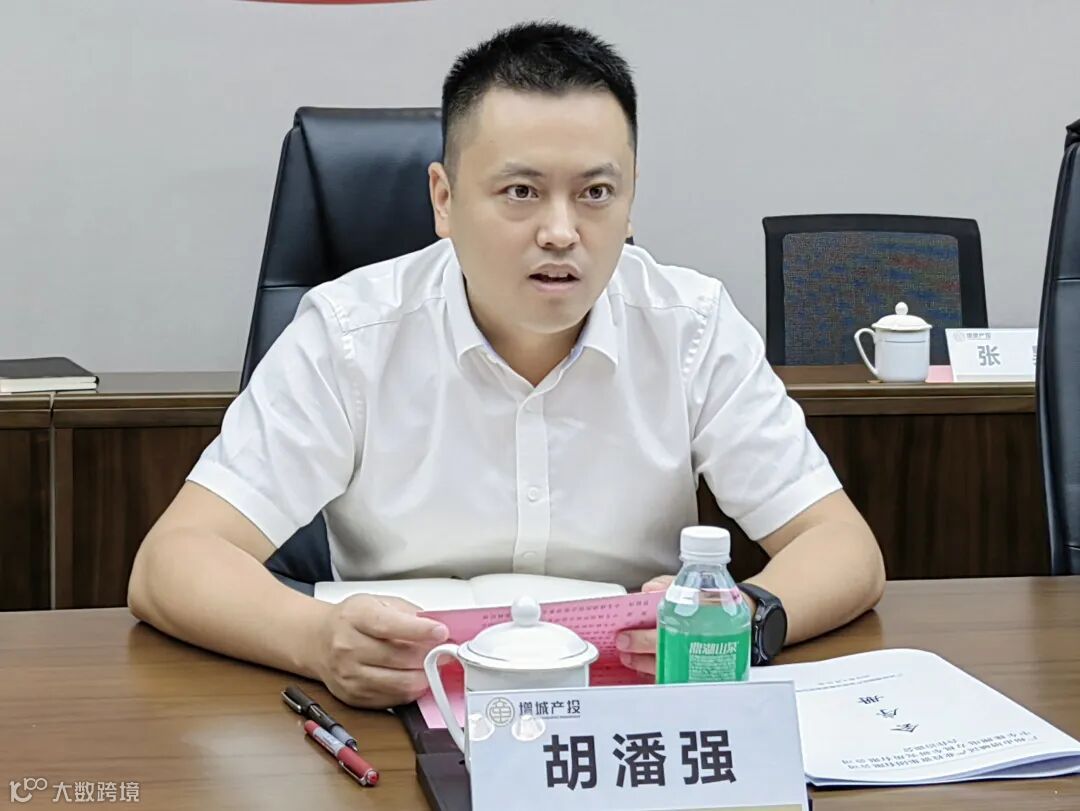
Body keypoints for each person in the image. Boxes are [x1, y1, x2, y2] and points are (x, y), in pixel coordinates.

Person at [127, 21, 884, 709]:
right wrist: (316, 640)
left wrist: (745, 618)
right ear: (444, 198)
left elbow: (842, 545)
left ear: (631, 200)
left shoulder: (691, 325)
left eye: (596, 193)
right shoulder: (351, 332)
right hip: (396, 701)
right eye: (521, 192)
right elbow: (172, 561)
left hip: (621, 706)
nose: (561, 232)